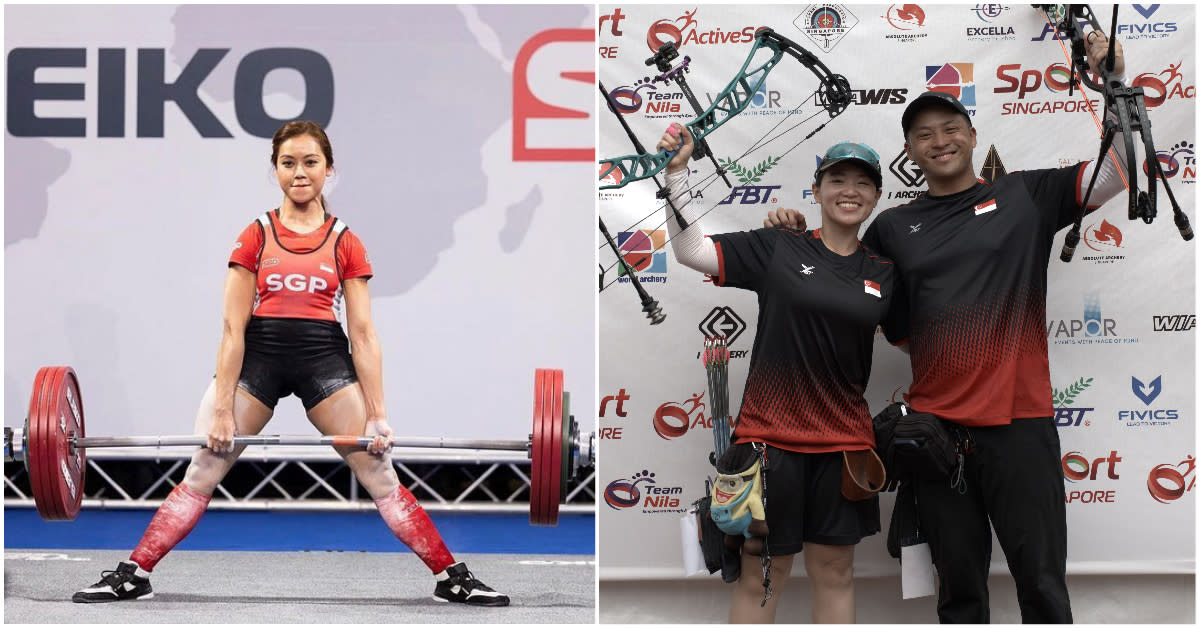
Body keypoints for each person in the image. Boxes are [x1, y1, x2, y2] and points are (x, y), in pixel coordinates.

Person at [765, 33, 1130, 623]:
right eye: (924, 133)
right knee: (959, 595)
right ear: (910, 150)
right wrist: (786, 236)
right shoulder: (891, 228)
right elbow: (843, 286)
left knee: (1041, 585)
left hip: (1021, 426)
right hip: (935, 436)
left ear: (972, 135)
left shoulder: (1024, 196)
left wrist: (1113, 82)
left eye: (950, 127)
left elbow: (1118, 171)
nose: (940, 140)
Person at [72, 120, 509, 607]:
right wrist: (221, 409)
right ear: (275, 170)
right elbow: (232, 330)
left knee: (379, 471)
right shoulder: (254, 236)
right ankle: (135, 573)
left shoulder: (346, 241)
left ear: (329, 170)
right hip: (259, 358)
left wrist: (379, 414)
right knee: (204, 467)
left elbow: (363, 334)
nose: (299, 173)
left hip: (323, 357)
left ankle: (451, 576)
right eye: (288, 163)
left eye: (310, 162)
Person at [658, 123, 895, 623]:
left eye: (862, 183)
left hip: (845, 447)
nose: (849, 191)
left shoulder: (885, 272)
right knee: (764, 577)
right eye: (836, 180)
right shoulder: (779, 246)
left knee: (836, 575)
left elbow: (915, 336)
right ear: (816, 190)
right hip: (771, 444)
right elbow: (690, 251)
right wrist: (676, 174)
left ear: (877, 195)